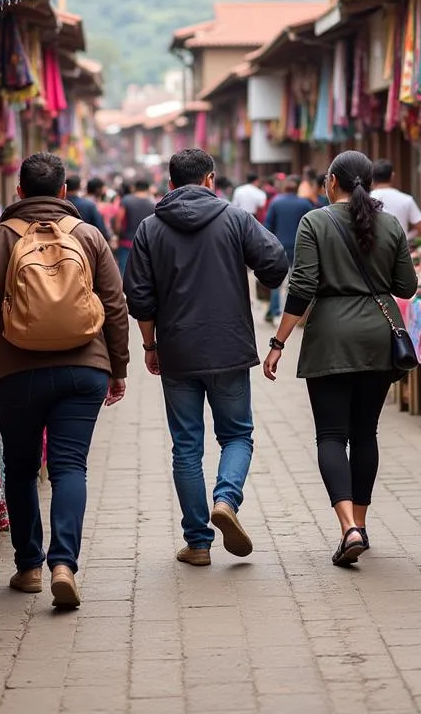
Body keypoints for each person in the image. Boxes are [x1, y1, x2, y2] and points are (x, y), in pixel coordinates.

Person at [0, 153, 130, 609]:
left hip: (17, 371)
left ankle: (29, 567)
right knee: (69, 466)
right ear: (64, 191)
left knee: (19, 468)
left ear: (18, 192)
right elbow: (114, 306)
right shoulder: (90, 236)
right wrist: (119, 368)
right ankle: (64, 565)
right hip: (85, 369)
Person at [123, 148, 287, 567]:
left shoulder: (150, 228)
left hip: (177, 351)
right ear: (211, 179)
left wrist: (149, 346)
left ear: (171, 183)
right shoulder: (235, 219)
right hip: (230, 347)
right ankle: (226, 499)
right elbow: (275, 264)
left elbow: (138, 297)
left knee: (186, 447)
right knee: (236, 435)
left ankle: (198, 543)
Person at [262, 151, 417, 567]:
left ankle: (347, 527)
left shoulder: (315, 222)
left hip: (331, 337)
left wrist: (278, 342)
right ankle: (361, 526)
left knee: (331, 435)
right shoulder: (390, 224)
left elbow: (303, 285)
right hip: (378, 337)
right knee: (366, 433)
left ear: (332, 181)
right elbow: (407, 286)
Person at [262, 177, 314, 323]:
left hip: (279, 247)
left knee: (277, 282)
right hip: (299, 247)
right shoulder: (304, 204)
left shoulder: (276, 202)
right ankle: (293, 315)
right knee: (295, 283)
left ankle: (275, 312)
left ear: (284, 188)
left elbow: (267, 225)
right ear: (297, 188)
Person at [370, 159, 421, 239]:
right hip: (398, 248)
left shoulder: (365, 199)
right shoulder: (406, 199)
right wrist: (408, 238)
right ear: (392, 176)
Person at [114, 180, 155, 275]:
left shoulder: (126, 200)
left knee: (123, 271)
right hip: (144, 244)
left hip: (126, 242)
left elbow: (118, 220)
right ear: (148, 189)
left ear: (134, 188)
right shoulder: (152, 204)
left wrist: (118, 234)